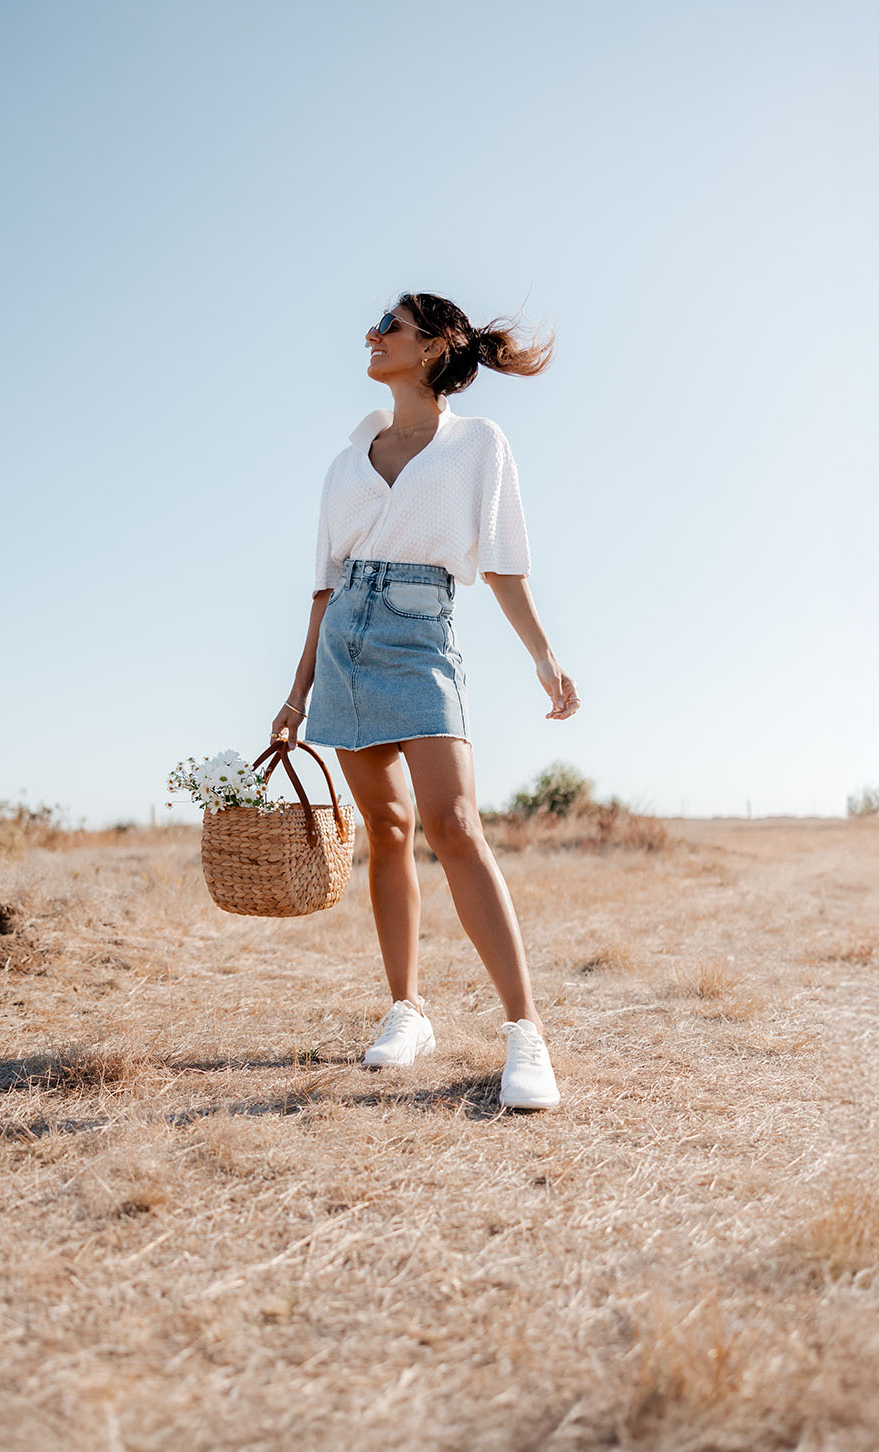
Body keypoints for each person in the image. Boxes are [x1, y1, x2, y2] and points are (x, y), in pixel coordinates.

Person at [269, 292, 580, 1110]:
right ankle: (407, 1011)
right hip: (345, 640)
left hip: (420, 634)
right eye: (376, 328)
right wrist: (296, 690)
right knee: (389, 828)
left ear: (436, 345)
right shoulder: (346, 461)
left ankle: (526, 1034)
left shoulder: (478, 443)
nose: (372, 337)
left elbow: (505, 562)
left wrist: (545, 658)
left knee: (455, 825)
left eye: (390, 327)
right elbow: (321, 583)